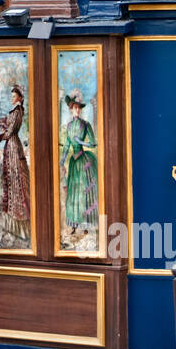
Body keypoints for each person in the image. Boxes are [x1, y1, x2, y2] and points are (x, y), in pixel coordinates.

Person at [60, 89, 99, 247]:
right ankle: (74, 225)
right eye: (73, 108)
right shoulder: (69, 126)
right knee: (73, 193)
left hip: (83, 160)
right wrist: (62, 161)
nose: (76, 110)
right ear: (70, 109)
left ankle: (86, 226)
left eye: (78, 108)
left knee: (84, 192)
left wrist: (81, 142)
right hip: (73, 162)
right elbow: (67, 145)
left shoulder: (86, 124)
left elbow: (93, 143)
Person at [0, 84, 31, 246]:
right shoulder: (14, 112)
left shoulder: (18, 112)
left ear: (19, 97)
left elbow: (11, 131)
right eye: (10, 96)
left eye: (13, 96)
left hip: (13, 146)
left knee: (16, 179)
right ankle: (11, 219)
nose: (11, 98)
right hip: (10, 146)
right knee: (10, 179)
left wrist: (1, 134)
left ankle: (19, 219)